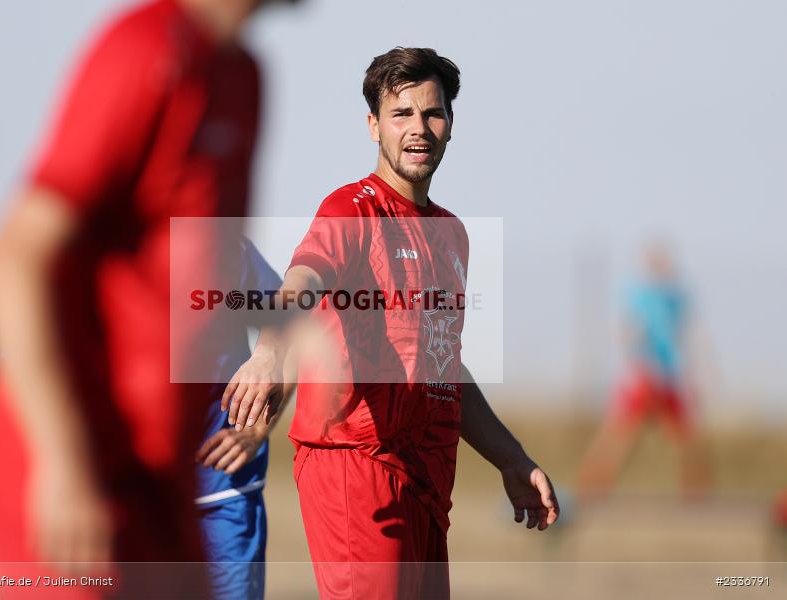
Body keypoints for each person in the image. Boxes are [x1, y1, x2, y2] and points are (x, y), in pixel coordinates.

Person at [0, 1, 299, 597]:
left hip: (168, 485)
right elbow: (14, 260)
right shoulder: (147, 51)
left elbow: (249, 284)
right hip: (80, 471)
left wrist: (275, 357)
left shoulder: (242, 76)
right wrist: (64, 463)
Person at [222, 47, 559, 599]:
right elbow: (303, 278)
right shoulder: (350, 210)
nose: (419, 128)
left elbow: (443, 368)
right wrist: (267, 352)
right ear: (374, 126)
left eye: (433, 113)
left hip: (426, 477)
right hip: (355, 465)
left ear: (451, 124)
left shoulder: (451, 234)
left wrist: (513, 459)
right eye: (402, 114)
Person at [193, 238, 292, 600]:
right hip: (138, 497)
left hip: (225, 492)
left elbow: (291, 313)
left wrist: (256, 428)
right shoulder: (97, 244)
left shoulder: (225, 246)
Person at [577, 240, 710, 499]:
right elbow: (627, 331)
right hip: (643, 375)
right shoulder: (636, 293)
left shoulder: (675, 298)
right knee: (621, 434)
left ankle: (696, 495)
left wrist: (693, 373)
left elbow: (684, 336)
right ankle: (591, 489)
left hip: (669, 374)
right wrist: (641, 367)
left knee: (686, 437)